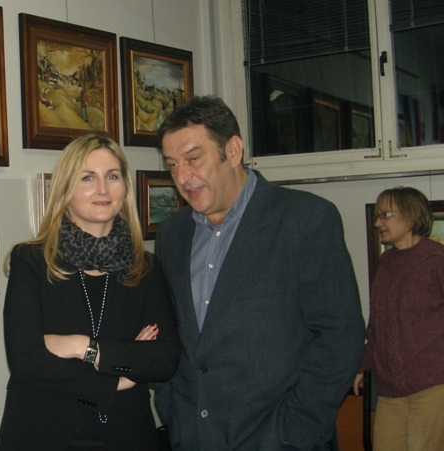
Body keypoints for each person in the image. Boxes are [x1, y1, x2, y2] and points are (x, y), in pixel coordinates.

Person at [152, 96, 364, 450]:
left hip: (281, 439)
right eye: (172, 165)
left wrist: (293, 432)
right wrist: (173, 413)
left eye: (193, 158)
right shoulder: (173, 234)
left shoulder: (305, 220)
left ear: (233, 151)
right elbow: (172, 334)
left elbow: (340, 336)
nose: (182, 177)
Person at [0, 134, 180, 450]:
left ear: (125, 188)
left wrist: (82, 347)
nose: (103, 189)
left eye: (112, 176)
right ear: (65, 189)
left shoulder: (146, 268)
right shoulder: (32, 261)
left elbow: (165, 358)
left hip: (126, 434)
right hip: (42, 433)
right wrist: (118, 378)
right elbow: (27, 361)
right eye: (87, 178)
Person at [353, 187, 444, 451]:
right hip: (390, 389)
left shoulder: (436, 259)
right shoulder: (386, 263)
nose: (377, 223)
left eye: (385, 215)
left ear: (410, 215)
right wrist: (362, 365)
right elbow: (379, 325)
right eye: (377, 216)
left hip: (433, 386)